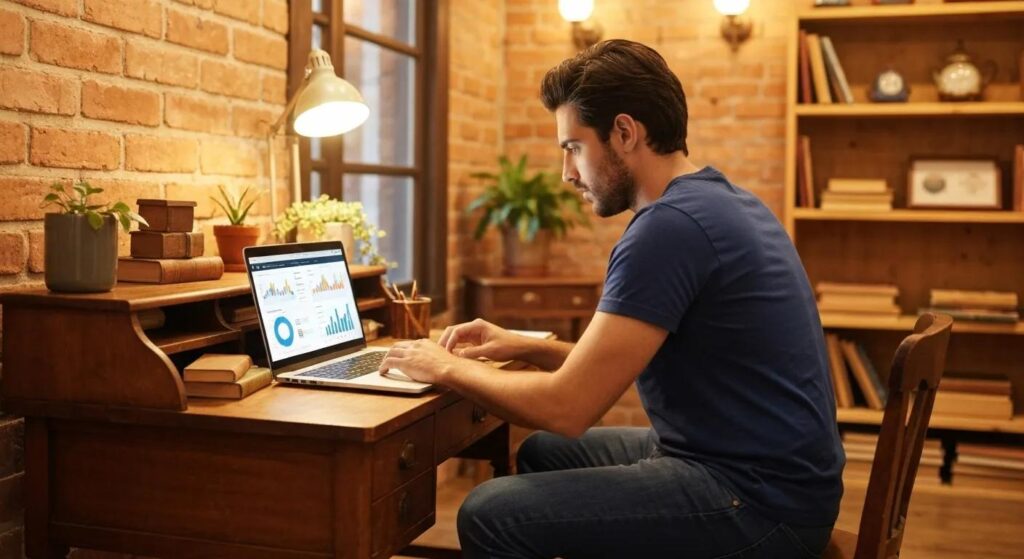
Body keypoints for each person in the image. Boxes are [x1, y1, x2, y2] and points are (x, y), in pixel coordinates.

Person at [379, 39, 844, 558]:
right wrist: (524, 346)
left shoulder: (668, 229)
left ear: (624, 133)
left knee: (490, 513)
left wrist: (443, 367)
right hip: (771, 475)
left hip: (757, 503)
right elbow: (609, 367)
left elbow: (569, 407)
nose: (567, 173)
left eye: (573, 147)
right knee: (544, 453)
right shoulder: (721, 201)